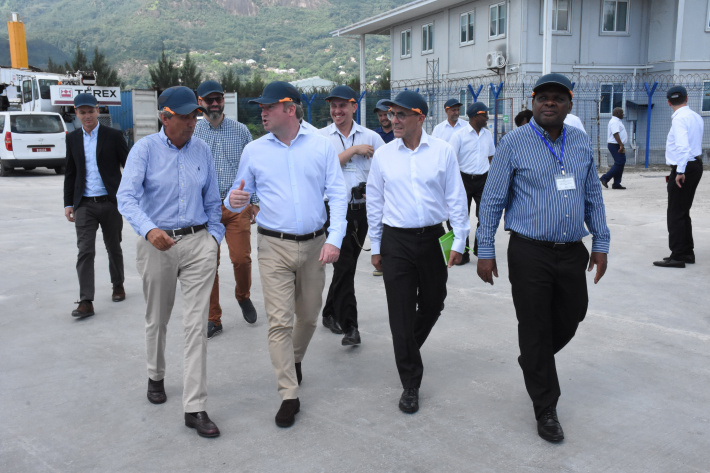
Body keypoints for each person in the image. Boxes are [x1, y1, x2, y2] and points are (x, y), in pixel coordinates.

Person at [476, 73, 610, 443]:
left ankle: (533, 359)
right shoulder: (514, 144)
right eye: (542, 98)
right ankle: (546, 406)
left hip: (571, 251)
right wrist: (484, 250)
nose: (549, 103)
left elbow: (593, 197)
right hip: (529, 251)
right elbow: (491, 201)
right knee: (534, 325)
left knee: (573, 313)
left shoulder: (581, 142)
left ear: (569, 104)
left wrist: (601, 242)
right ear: (533, 103)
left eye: (557, 98)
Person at [225, 81, 347, 428]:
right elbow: (238, 194)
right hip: (272, 244)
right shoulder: (254, 150)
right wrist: (233, 201)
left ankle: (294, 359)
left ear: (290, 109)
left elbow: (338, 195)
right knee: (279, 321)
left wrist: (334, 239)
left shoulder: (321, 147)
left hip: (314, 245)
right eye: (260, 107)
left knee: (308, 316)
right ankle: (288, 394)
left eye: (268, 107)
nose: (261, 112)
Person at [117, 86, 225, 438]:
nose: (193, 122)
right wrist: (149, 231)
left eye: (195, 115)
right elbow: (127, 198)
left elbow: (213, 200)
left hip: (198, 244)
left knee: (196, 326)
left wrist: (213, 240)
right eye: (185, 116)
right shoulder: (144, 150)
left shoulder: (202, 149)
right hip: (156, 244)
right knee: (157, 318)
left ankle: (195, 407)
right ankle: (156, 374)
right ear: (165, 117)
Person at [367, 90, 470, 415]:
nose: (393, 121)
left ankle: (406, 346)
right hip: (396, 241)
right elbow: (375, 202)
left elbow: (456, 197)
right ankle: (411, 382)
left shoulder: (442, 151)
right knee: (400, 311)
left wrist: (459, 240)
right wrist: (376, 244)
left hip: (432, 239)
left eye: (400, 115)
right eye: (391, 115)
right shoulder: (384, 156)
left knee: (433, 302)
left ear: (420, 118)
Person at [318, 85, 385, 345]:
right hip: (334, 211)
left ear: (353, 106)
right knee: (344, 266)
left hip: (362, 211)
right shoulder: (321, 138)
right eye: (333, 106)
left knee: (345, 268)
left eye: (342, 105)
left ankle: (328, 311)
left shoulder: (371, 136)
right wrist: (354, 151)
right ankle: (350, 326)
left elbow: (384, 169)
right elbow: (324, 169)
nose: (337, 111)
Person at [193, 80, 257, 339]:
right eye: (210, 100)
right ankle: (213, 318)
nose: (215, 103)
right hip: (206, 210)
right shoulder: (194, 132)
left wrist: (255, 200)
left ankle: (243, 296)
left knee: (241, 259)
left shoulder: (241, 131)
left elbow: (254, 168)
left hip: (236, 207)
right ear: (200, 103)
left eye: (219, 98)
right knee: (209, 264)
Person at [63, 93, 128, 319]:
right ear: (76, 112)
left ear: (97, 110)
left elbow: (128, 168)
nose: (87, 115)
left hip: (110, 202)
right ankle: (85, 300)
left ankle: (118, 284)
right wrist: (68, 203)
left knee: (113, 246)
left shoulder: (113, 136)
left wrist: (129, 197)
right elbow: (70, 173)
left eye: (91, 111)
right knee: (85, 251)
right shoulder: (72, 139)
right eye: (82, 112)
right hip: (84, 205)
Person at [653, 85, 704, 268]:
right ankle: (687, 252)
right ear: (687, 98)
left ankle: (677, 256)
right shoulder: (695, 116)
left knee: (675, 213)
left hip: (685, 168)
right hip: (695, 165)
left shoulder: (679, 119)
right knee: (683, 211)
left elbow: (683, 147)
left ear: (668, 102)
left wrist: (680, 172)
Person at [448, 102, 495, 264]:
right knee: (460, 217)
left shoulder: (487, 134)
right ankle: (462, 252)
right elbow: (452, 159)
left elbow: (491, 156)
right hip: (463, 179)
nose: (487, 117)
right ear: (475, 116)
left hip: (483, 179)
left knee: (485, 215)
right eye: (484, 114)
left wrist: (492, 177)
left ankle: (480, 248)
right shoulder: (459, 135)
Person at [371, 99, 394, 277]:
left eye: (385, 114)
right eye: (379, 115)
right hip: (381, 182)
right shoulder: (375, 135)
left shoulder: (399, 133)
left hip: (395, 184)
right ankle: (383, 257)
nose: (382, 118)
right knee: (380, 218)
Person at [600, 108, 628, 190]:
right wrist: (621, 145)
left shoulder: (617, 121)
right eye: (622, 113)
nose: (623, 114)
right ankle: (605, 178)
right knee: (619, 162)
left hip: (618, 144)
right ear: (617, 113)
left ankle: (616, 183)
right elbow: (615, 134)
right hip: (615, 145)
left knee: (621, 163)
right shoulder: (614, 122)